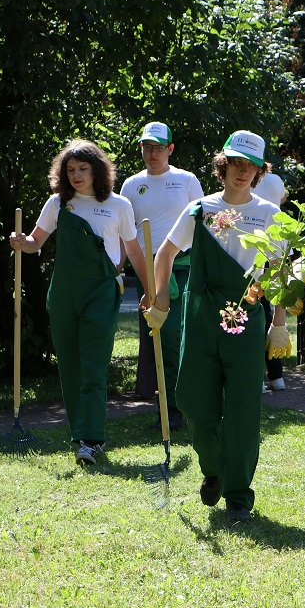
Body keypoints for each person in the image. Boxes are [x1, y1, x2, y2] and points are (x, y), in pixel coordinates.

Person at [144, 131, 290, 524]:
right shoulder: (200, 209)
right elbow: (165, 253)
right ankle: (212, 469)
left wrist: (280, 323)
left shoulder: (269, 215)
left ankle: (239, 495)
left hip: (247, 318)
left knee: (243, 411)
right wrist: (161, 299)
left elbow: (280, 272)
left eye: (251, 166)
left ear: (260, 172)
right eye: (236, 164)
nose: (243, 173)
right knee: (193, 402)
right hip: (202, 318)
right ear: (223, 165)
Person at [9, 139, 149, 466]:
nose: (76, 175)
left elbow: (133, 251)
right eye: (70, 170)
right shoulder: (58, 203)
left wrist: (150, 290)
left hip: (101, 291)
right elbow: (35, 241)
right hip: (64, 293)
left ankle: (91, 439)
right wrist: (20, 242)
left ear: (97, 170)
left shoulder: (119, 205)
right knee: (70, 366)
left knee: (94, 365)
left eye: (82, 169)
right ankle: (80, 433)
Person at [119, 121, 204, 429]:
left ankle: (185, 407)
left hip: (183, 269)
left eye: (158, 148)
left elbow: (204, 223)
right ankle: (168, 410)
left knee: (177, 339)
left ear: (170, 149)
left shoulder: (186, 180)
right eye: (147, 147)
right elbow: (123, 233)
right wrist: (116, 269)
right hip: (147, 270)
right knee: (158, 340)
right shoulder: (131, 184)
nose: (152, 154)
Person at [253, 161, 289, 392]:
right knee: (273, 308)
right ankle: (276, 376)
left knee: (256, 314)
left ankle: (257, 375)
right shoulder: (276, 181)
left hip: (253, 249)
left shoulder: (245, 180)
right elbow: (283, 198)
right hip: (274, 247)